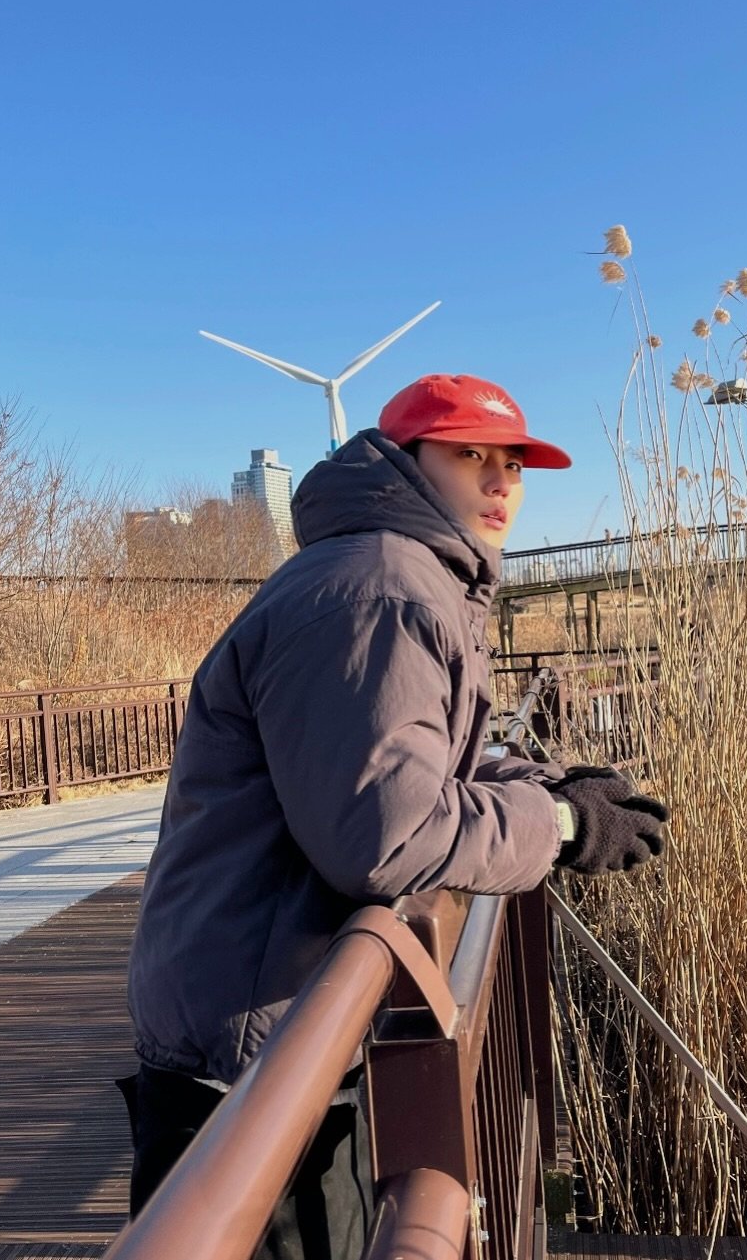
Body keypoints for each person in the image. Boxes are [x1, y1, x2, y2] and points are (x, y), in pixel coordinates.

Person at [121, 373, 669, 1257]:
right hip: (250, 1054)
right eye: (469, 455)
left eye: (513, 463)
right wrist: (562, 830)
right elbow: (390, 834)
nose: (499, 481)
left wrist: (555, 783)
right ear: (407, 462)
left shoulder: (397, 576)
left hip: (272, 1020)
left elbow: (417, 759)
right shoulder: (379, 593)